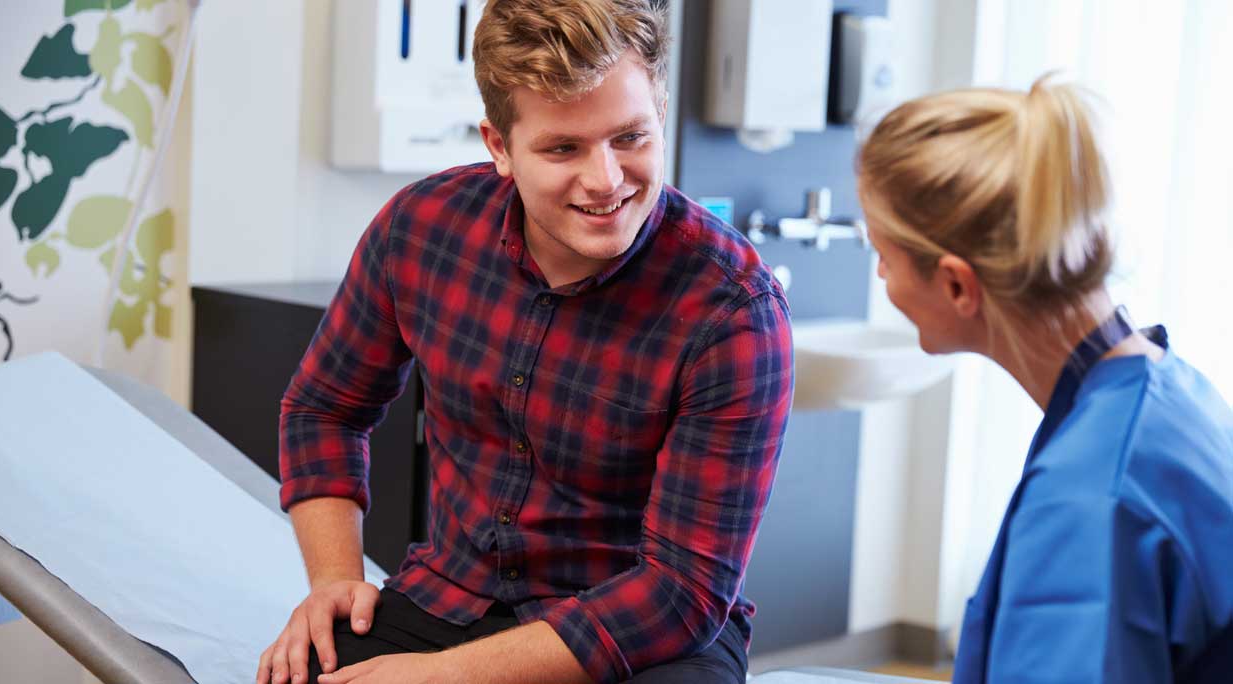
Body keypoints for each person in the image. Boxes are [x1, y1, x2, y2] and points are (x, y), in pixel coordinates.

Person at [255, 1, 794, 683]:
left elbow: (682, 592)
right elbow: (323, 409)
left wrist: (441, 679)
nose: (606, 180)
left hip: (644, 634)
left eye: (630, 137)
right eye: (563, 148)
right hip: (452, 600)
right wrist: (333, 579)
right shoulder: (422, 230)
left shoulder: (732, 309)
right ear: (499, 147)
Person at [857, 75, 1233, 683]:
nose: (881, 278)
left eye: (884, 255)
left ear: (957, 285)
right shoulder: (1170, 387)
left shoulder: (1090, 501)